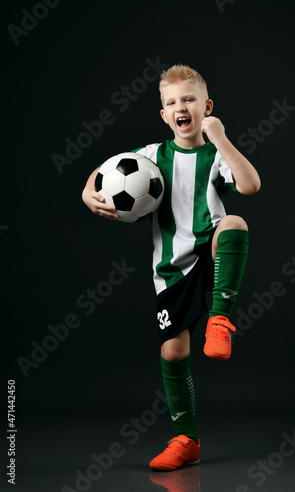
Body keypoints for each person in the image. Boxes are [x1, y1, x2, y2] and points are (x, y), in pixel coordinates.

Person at [82, 64, 260, 471]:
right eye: (172, 103)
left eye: (189, 100)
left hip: (209, 254)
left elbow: (250, 186)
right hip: (171, 272)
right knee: (173, 351)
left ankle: (221, 320)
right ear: (164, 115)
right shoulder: (151, 157)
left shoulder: (216, 155)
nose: (181, 107)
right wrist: (86, 193)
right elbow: (103, 173)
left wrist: (223, 138)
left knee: (234, 223)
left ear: (206, 107)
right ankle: (187, 438)